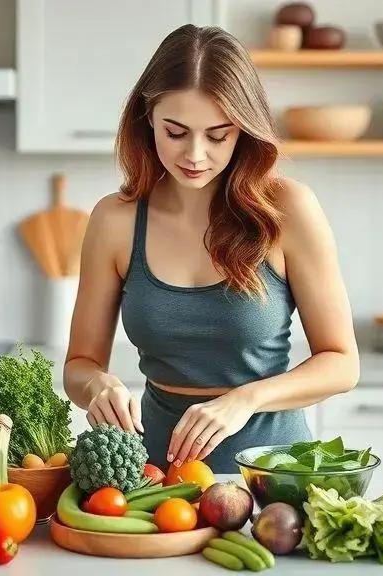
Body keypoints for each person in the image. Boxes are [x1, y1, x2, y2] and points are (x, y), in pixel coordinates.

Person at [62, 25, 359, 474]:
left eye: (218, 135)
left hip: (272, 477)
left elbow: (341, 364)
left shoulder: (289, 210)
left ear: (244, 130)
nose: (195, 155)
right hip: (153, 479)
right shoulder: (114, 220)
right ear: (147, 120)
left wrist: (246, 399)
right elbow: (79, 365)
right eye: (176, 132)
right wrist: (98, 386)